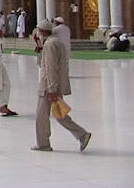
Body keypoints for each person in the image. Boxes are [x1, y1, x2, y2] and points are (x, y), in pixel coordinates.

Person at [31, 19, 91, 152]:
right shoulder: (55, 41)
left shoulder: (50, 45)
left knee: (41, 117)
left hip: (48, 87)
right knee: (59, 114)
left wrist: (52, 89)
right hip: (54, 84)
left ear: (41, 31)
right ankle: (82, 135)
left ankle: (43, 144)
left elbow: (51, 68)